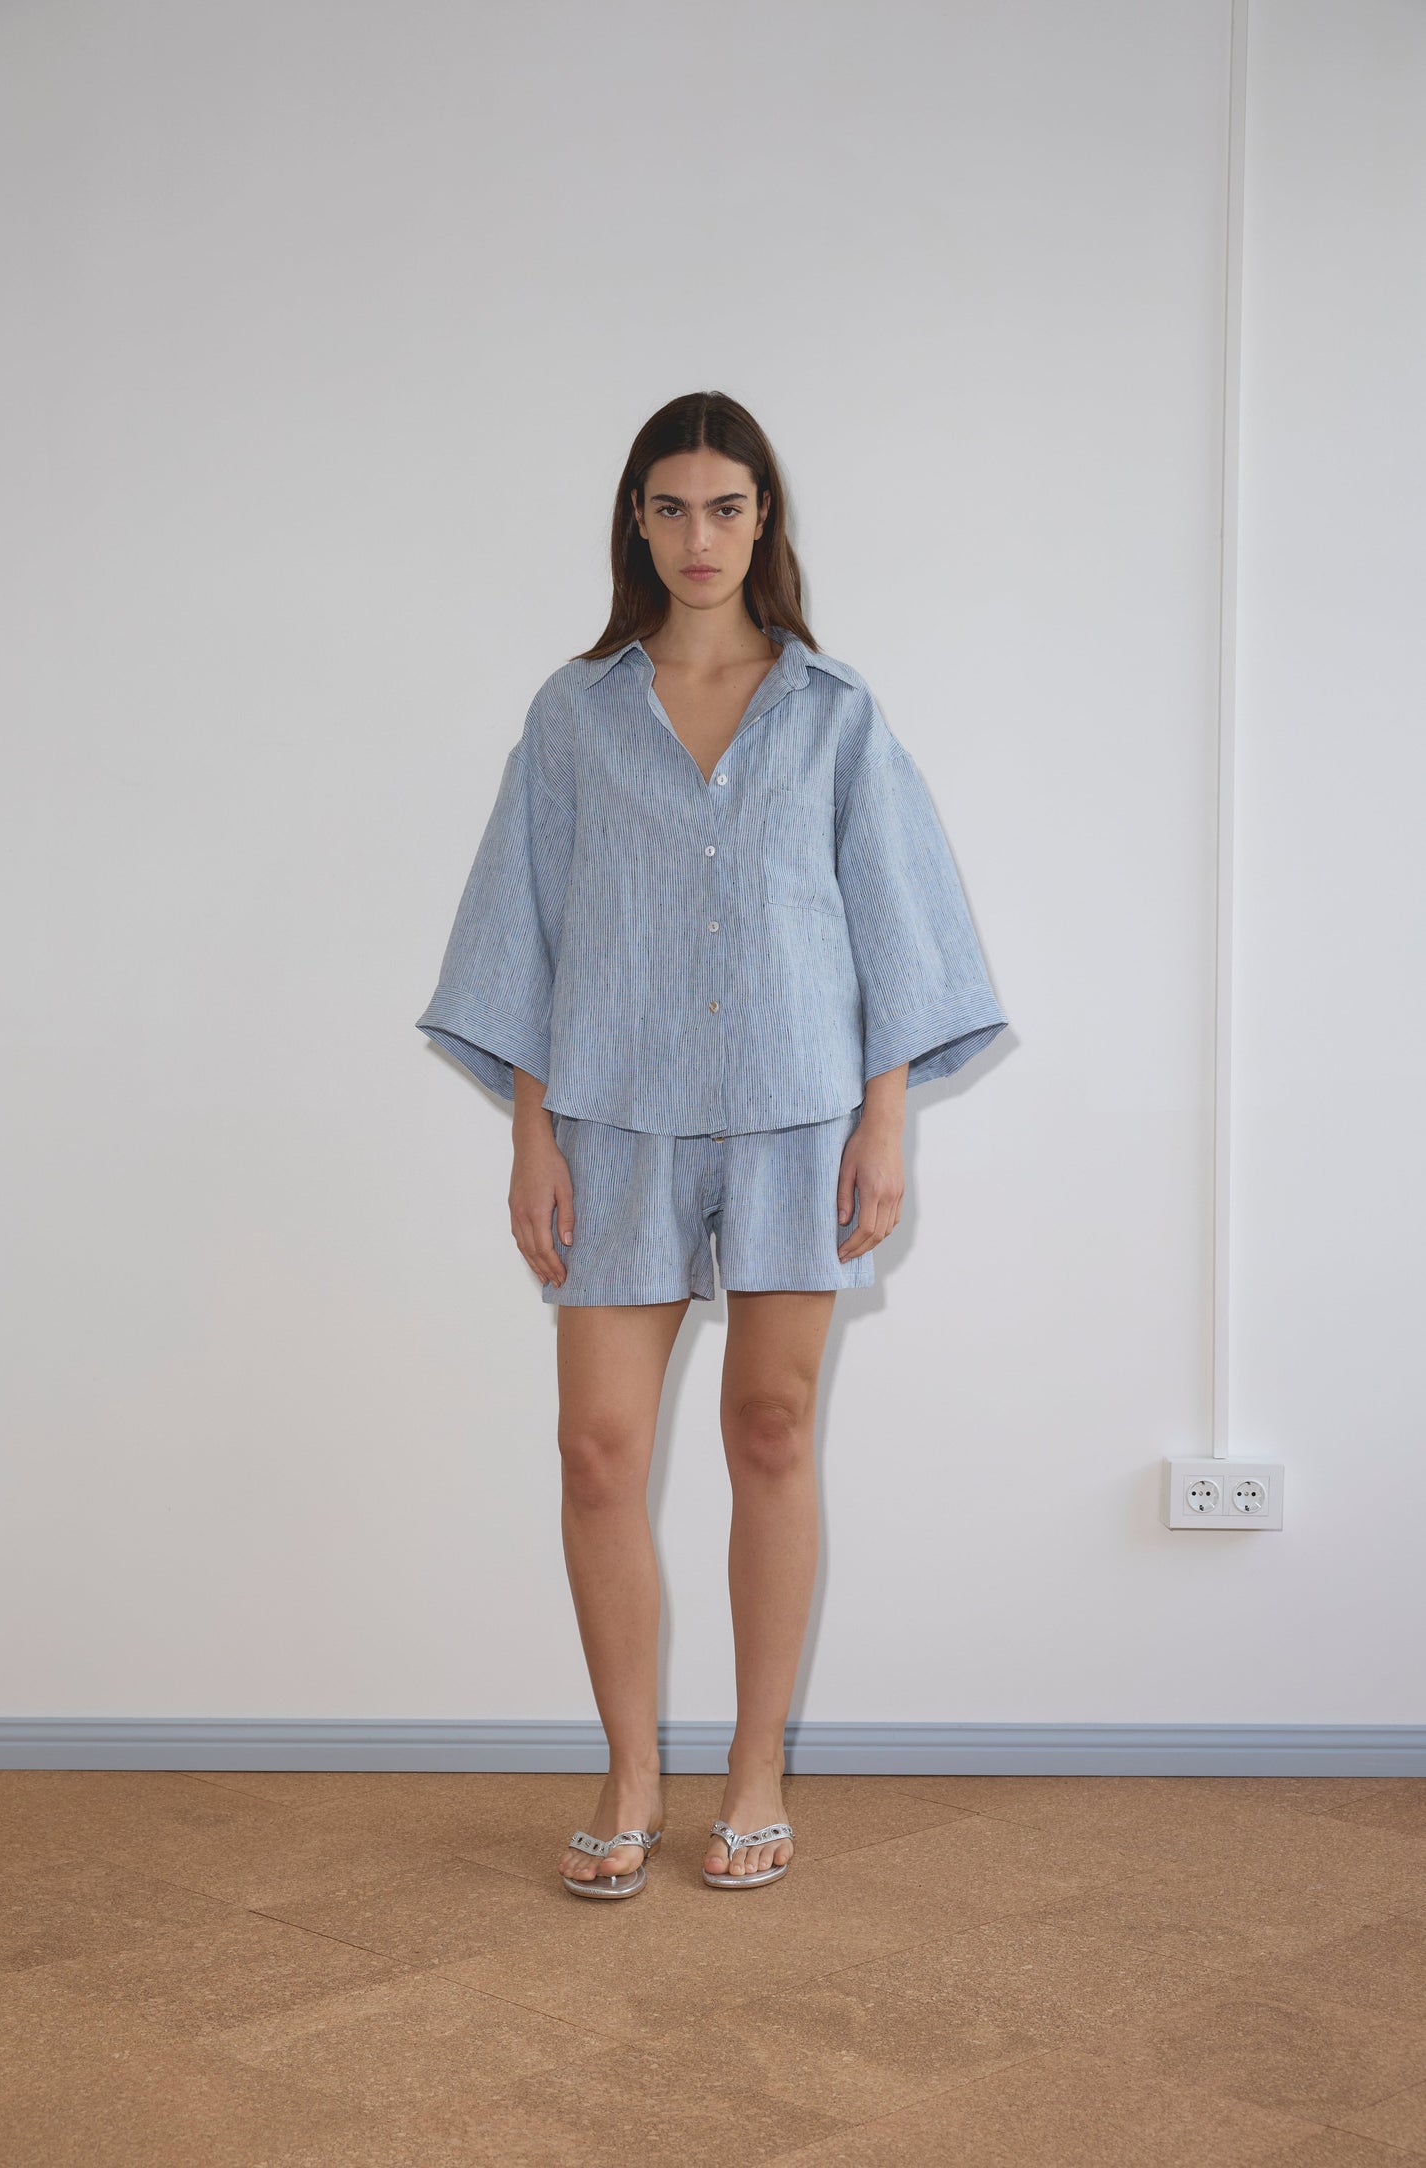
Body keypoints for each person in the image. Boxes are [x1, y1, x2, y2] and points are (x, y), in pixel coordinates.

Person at [415, 390, 1008, 1900]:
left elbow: (893, 925)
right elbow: (520, 939)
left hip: (797, 1116)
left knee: (770, 1434)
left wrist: (886, 1124)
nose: (698, 536)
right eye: (670, 507)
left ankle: (754, 1771)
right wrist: (529, 1139)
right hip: (606, 1120)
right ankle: (627, 1772)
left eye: (725, 508)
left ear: (764, 522)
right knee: (597, 1450)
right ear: (636, 520)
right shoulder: (573, 715)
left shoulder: (831, 712)